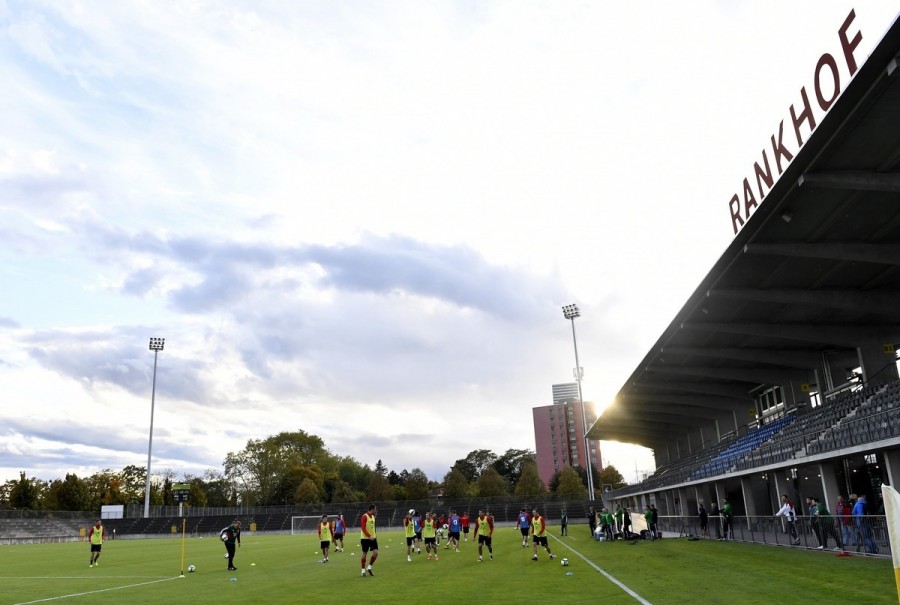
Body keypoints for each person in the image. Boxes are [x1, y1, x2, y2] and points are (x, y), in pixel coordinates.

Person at [360, 504, 378, 576]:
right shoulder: (364, 516)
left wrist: (374, 536)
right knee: (364, 554)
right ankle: (363, 570)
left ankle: (369, 567)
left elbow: (373, 528)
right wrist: (369, 536)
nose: (376, 510)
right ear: (372, 509)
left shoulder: (373, 517)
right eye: (375, 509)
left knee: (376, 553)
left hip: (373, 538)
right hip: (365, 538)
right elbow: (363, 528)